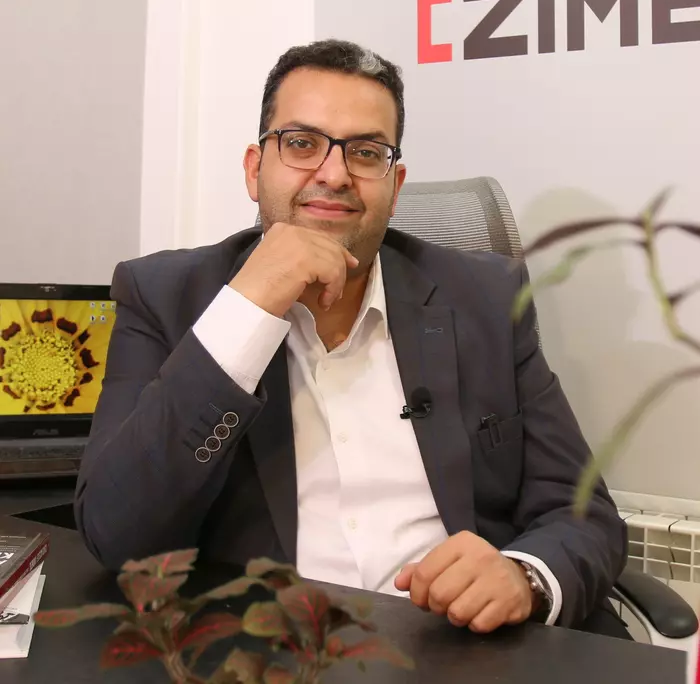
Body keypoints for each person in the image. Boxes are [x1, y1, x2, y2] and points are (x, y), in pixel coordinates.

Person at [75, 39, 627, 637]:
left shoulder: (485, 297)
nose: (334, 174)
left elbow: (583, 513)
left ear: (395, 183)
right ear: (255, 169)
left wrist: (524, 576)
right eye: (301, 143)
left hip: (464, 647)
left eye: (366, 153)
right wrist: (247, 309)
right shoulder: (163, 295)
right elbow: (117, 534)